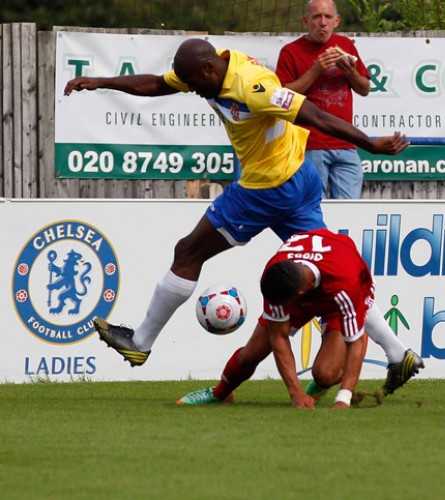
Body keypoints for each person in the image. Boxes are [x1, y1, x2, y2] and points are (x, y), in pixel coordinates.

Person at [63, 38, 423, 394]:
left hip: (264, 190)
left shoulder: (253, 86)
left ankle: (140, 342)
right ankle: (397, 352)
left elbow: (314, 115)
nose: (191, 90)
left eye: (193, 84)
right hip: (299, 179)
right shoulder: (208, 70)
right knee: (328, 269)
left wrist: (371, 144)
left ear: (209, 68)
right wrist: (101, 82)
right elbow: (158, 83)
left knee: (188, 252)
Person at [178, 228, 419, 408]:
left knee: (326, 373)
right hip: (306, 283)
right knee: (250, 354)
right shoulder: (276, 275)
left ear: (300, 295)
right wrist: (295, 394)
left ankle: (326, 380)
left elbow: (354, 342)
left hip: (339, 296)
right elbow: (279, 339)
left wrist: (343, 399)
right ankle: (221, 393)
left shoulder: (345, 285)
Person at [276, 0, 369, 199]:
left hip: (346, 143)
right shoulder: (291, 51)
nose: (323, 22)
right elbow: (282, 97)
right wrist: (315, 71)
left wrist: (351, 73)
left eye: (328, 17)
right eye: (317, 17)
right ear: (305, 21)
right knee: (314, 208)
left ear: (337, 21)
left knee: (349, 210)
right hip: (309, 146)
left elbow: (364, 89)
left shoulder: (345, 45)